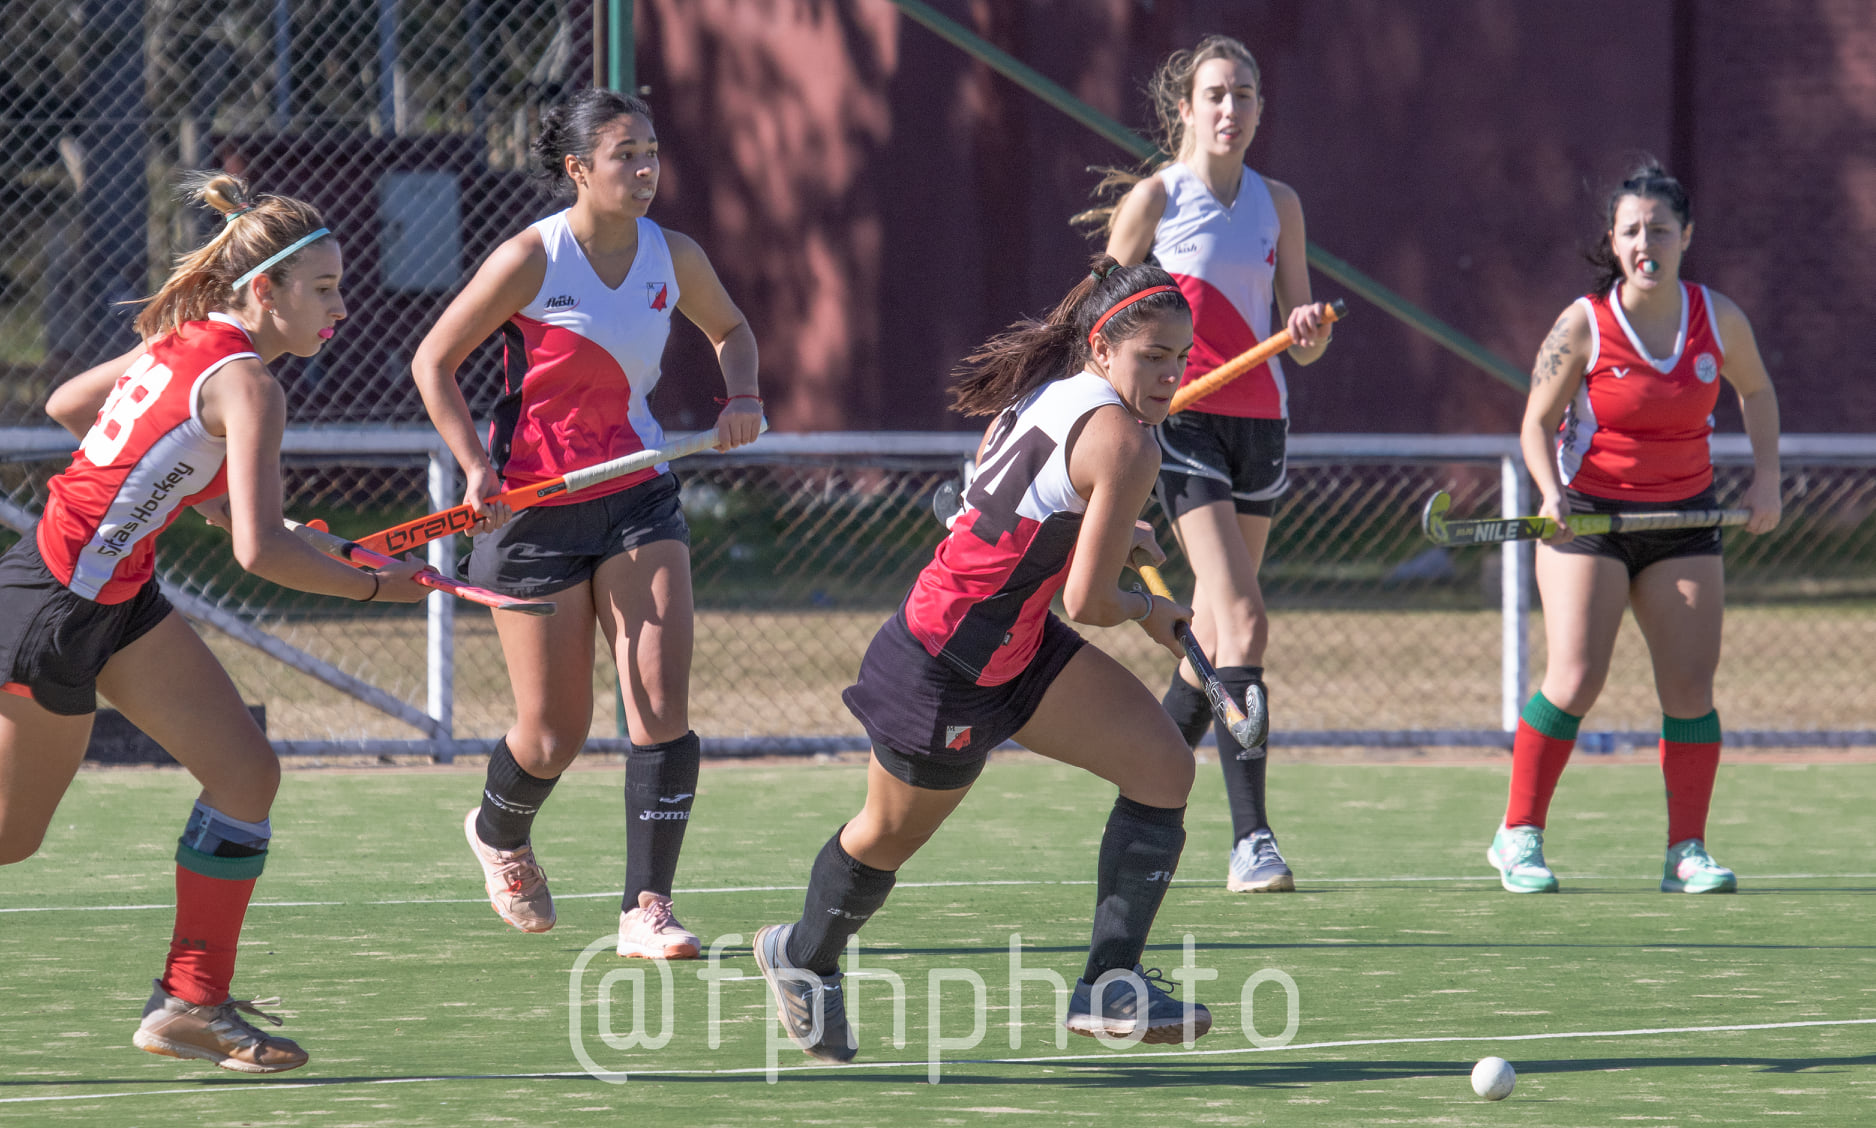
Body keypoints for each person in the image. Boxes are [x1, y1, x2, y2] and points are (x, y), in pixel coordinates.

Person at [0, 174, 430, 1072]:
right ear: (265, 290)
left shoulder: (186, 342)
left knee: (244, 774)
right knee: (11, 837)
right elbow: (261, 553)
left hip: (119, 598)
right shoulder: (250, 385)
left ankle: (190, 1002)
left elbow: (71, 404)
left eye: (340, 287)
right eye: (324, 289)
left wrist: (182, 490)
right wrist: (379, 589)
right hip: (56, 607)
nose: (341, 309)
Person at [752, 257, 1213, 1061]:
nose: (1172, 375)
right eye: (1153, 357)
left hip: (1018, 645)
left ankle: (1112, 984)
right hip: (944, 664)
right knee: (884, 839)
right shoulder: (1127, 442)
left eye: (1182, 357)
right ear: (1103, 350)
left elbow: (1003, 504)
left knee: (1163, 769)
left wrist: (1104, 532)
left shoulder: (1053, 394)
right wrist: (1153, 612)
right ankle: (800, 957)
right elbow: (1090, 603)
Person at [411, 89, 763, 957]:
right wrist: (476, 467)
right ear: (578, 169)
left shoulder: (673, 254)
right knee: (553, 734)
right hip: (530, 514)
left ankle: (648, 908)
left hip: (638, 491)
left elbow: (732, 329)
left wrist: (743, 393)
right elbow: (435, 360)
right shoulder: (532, 258)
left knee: (658, 701)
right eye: (624, 155)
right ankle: (498, 833)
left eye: (651, 152)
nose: (645, 170)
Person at [1488, 161, 1781, 895]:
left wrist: (1768, 476)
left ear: (1686, 236)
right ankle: (1518, 834)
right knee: (1577, 676)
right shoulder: (1582, 323)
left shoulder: (1720, 318)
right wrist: (1550, 491)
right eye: (1631, 231)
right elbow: (1535, 422)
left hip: (1686, 519)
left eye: (1660, 228)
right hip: (1588, 517)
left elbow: (1757, 389)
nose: (1646, 241)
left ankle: (1686, 851)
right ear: (1613, 243)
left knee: (1689, 687)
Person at [1089, 34, 1333, 894]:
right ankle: (1252, 840)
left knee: (1220, 642)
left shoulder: (1280, 204)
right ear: (1186, 109)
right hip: (1183, 425)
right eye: (1217, 95)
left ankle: (1143, 779)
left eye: (1246, 95)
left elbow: (1297, 334)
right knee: (1244, 620)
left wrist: (1306, 332)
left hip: (1261, 425)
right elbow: (1099, 328)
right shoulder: (1158, 197)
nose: (1232, 110)